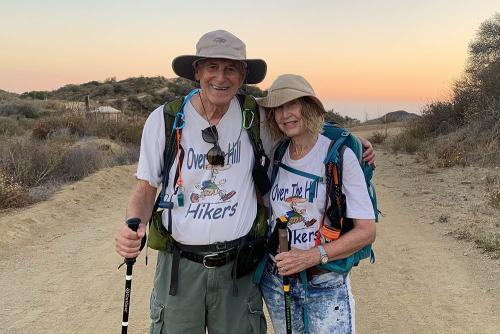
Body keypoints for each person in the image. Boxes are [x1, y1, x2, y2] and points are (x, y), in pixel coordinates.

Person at [115, 30, 375, 333]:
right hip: (179, 269)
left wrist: (347, 137)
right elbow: (146, 188)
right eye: (212, 67)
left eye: (231, 69)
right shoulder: (165, 120)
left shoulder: (255, 117)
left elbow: (299, 123)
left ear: (243, 75)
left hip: (238, 269)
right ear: (197, 71)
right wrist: (136, 224)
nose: (221, 78)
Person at [256, 74, 376, 334]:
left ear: (309, 107)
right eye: (277, 108)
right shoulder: (278, 152)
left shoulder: (338, 155)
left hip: (324, 282)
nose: (284, 114)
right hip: (278, 282)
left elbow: (367, 231)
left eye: (292, 104)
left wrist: (311, 256)